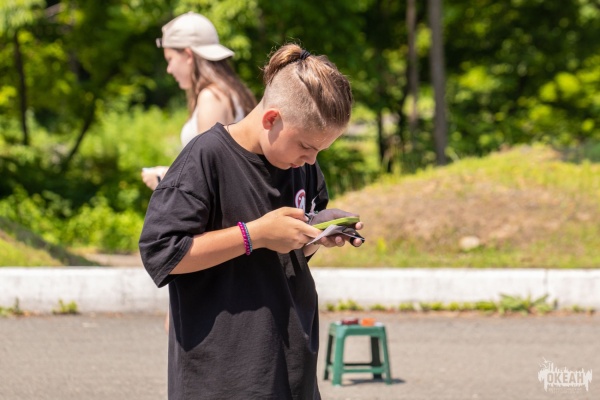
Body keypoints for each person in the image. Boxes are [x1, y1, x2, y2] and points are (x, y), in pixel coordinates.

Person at [139, 43, 363, 399]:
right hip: (222, 376)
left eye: (320, 151)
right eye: (306, 146)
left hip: (291, 368)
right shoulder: (205, 157)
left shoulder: (300, 166)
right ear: (271, 119)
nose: (310, 160)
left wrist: (315, 232)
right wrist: (254, 235)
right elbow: (161, 252)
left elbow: (285, 258)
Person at [141, 11, 256, 190]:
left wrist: (163, 179)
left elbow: (208, 176)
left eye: (170, 59)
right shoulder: (229, 90)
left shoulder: (211, 97)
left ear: (188, 55)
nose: (169, 69)